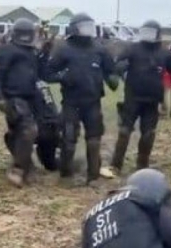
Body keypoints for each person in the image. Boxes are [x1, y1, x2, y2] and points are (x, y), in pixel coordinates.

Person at [46, 13, 118, 186]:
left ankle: (93, 176)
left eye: (90, 26)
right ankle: (66, 175)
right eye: (84, 26)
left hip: (93, 102)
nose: (88, 30)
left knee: (94, 139)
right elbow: (48, 73)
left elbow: (111, 70)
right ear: (74, 28)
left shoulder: (99, 49)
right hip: (71, 102)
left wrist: (113, 78)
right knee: (69, 139)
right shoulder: (64, 49)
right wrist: (63, 76)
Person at [108, 20, 171, 175]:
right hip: (132, 98)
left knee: (148, 133)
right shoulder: (133, 49)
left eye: (150, 32)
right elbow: (117, 64)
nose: (147, 36)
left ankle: (142, 165)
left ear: (157, 34)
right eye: (145, 32)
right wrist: (119, 67)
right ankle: (116, 165)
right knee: (124, 131)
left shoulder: (164, 53)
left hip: (152, 101)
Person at [0, 18, 49, 187]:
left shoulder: (33, 52)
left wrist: (45, 54)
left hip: (32, 97)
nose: (25, 38)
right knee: (29, 130)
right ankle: (17, 169)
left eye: (28, 35)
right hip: (14, 97)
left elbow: (42, 74)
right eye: (22, 35)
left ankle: (27, 166)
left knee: (25, 133)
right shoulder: (7, 51)